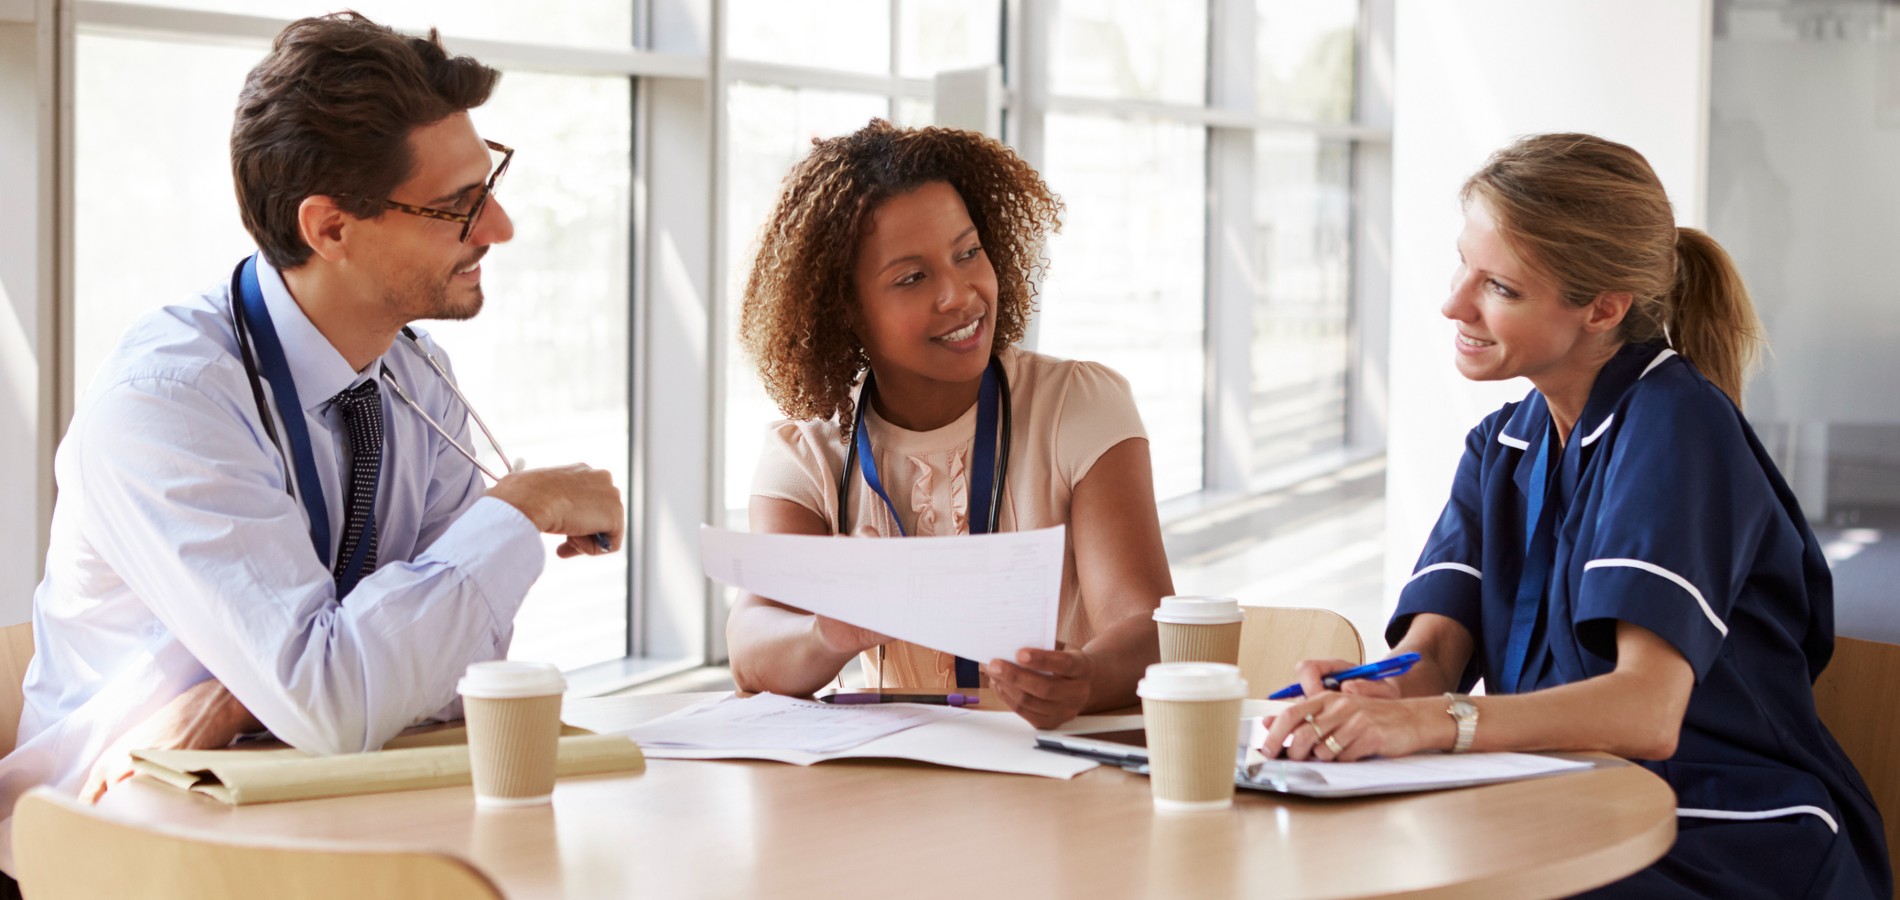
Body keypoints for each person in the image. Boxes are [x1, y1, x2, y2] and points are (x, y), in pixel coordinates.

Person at [0, 11, 624, 879]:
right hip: (122, 845)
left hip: (321, 805)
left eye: (489, 185)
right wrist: (518, 510)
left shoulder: (415, 373)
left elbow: (443, 673)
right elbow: (339, 702)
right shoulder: (167, 406)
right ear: (330, 227)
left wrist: (236, 696)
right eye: (458, 207)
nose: (501, 228)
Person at [1262, 133, 1889, 898]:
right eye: (1464, 263)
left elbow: (1649, 711)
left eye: (1499, 286)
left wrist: (1431, 724)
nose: (1453, 301)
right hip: (1558, 806)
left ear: (1604, 307)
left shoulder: (1679, 424)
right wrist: (1377, 696)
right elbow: (1434, 655)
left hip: (1721, 831)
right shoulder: (1504, 445)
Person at [725, 120, 1173, 729]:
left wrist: (1085, 679)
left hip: (1056, 776)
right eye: (912, 277)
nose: (959, 295)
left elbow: (1147, 624)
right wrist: (829, 632)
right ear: (843, 308)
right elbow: (752, 647)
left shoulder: (1079, 405)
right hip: (899, 787)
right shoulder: (808, 452)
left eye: (967, 253)